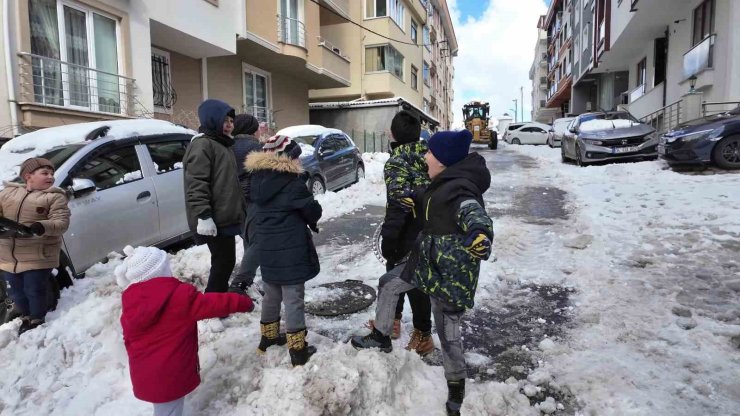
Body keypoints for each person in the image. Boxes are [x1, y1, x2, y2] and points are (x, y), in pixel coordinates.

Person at [351, 130, 493, 416]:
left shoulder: (460, 189)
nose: (425, 156)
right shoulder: (442, 181)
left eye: (430, 153)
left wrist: (479, 233)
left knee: (448, 335)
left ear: (442, 160)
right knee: (389, 283)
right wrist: (412, 196)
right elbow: (430, 197)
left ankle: (455, 391)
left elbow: (472, 211)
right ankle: (381, 336)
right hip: (427, 262)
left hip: (449, 276)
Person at [117, 245, 254, 416]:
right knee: (169, 412)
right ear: (160, 271)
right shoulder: (178, 297)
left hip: (145, 373)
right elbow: (213, 304)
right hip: (169, 375)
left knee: (164, 408)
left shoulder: (131, 302)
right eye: (166, 266)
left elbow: (128, 339)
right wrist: (241, 301)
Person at [245, 135, 322, 366]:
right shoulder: (291, 183)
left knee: (272, 293)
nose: (299, 160)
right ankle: (298, 349)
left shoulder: (257, 180)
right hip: (290, 248)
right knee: (293, 297)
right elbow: (312, 211)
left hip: (267, 247)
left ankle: (267, 338)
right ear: (287, 158)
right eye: (296, 156)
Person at [375, 110, 434, 355]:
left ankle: (419, 333)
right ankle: (402, 324)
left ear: (393, 133)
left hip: (406, 231)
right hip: (428, 228)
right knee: (416, 279)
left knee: (401, 277)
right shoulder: (428, 156)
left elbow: (398, 205)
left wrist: (388, 240)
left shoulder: (397, 161)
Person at [0, 157, 70, 335]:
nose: (50, 177)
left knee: (34, 289)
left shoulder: (55, 197)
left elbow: (61, 222)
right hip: (9, 255)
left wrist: (42, 226)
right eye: (45, 173)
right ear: (28, 176)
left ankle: (37, 318)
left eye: (52, 174)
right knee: (17, 293)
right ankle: (26, 316)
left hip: (39, 254)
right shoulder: (8, 193)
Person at [183, 99, 246, 296]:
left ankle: (216, 297)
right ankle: (213, 303)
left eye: (231, 120)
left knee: (224, 261)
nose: (229, 124)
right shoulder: (203, 145)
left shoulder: (221, 144)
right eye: (224, 120)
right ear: (212, 120)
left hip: (224, 216)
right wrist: (203, 215)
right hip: (214, 218)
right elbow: (196, 183)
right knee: (224, 261)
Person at [228, 114, 263, 296]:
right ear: (251, 129)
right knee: (257, 240)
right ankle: (241, 283)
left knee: (248, 238)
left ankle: (248, 280)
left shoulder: (228, 146)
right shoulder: (257, 148)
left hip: (234, 199)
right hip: (253, 199)